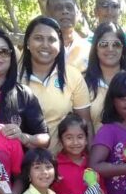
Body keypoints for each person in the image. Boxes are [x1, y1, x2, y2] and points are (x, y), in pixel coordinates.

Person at [21, 16, 92, 153]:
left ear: (60, 45)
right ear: (28, 42)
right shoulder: (15, 77)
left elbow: (86, 123)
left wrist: (92, 161)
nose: (45, 45)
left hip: (63, 161)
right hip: (21, 161)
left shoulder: (72, 76)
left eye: (52, 40)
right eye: (38, 38)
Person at [85, 22, 126, 134]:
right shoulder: (83, 83)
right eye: (104, 44)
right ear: (95, 48)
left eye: (116, 44)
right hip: (95, 144)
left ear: (123, 48)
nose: (110, 49)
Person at [46, 0, 91, 72]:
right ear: (48, 15)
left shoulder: (89, 50)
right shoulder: (39, 49)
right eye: (58, 8)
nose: (65, 11)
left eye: (69, 7)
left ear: (77, 14)